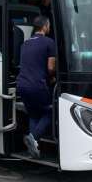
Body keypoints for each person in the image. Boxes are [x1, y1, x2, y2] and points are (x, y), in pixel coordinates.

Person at [16, 15, 56, 158]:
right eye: (49, 25)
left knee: (33, 114)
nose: (49, 27)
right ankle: (32, 137)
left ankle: (33, 149)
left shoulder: (25, 43)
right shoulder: (49, 42)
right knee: (50, 112)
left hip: (22, 85)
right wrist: (53, 76)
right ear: (45, 26)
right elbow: (51, 67)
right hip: (37, 85)